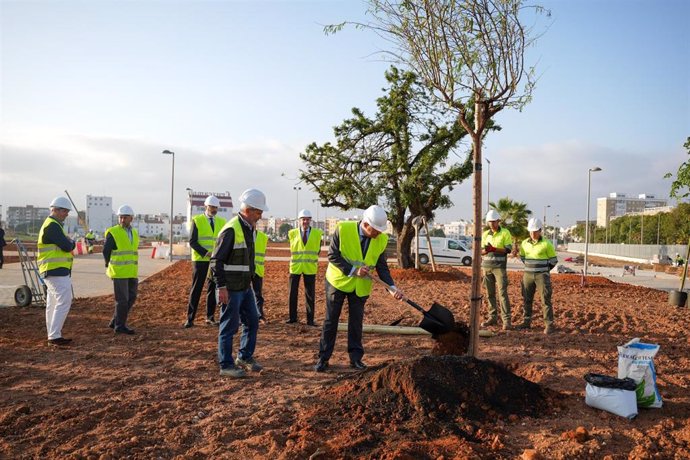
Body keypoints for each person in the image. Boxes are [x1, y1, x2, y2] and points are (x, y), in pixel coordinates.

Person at [314, 205, 404, 373]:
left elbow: (382, 267)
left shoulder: (381, 239)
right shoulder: (343, 229)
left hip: (360, 287)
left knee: (356, 322)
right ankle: (323, 358)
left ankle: (355, 358)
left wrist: (391, 288)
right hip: (338, 281)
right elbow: (333, 255)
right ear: (365, 224)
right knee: (330, 320)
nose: (378, 233)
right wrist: (354, 271)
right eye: (376, 230)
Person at [211, 188, 268, 378]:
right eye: (259, 212)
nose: (260, 216)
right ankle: (226, 365)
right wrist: (221, 287)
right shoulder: (231, 230)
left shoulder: (249, 228)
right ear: (248, 210)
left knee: (252, 321)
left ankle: (244, 357)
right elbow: (216, 261)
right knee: (229, 326)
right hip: (231, 288)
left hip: (244, 287)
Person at [38, 197, 77, 345]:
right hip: (55, 270)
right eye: (64, 211)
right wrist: (71, 242)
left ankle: (52, 334)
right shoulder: (53, 226)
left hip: (52, 270)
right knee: (64, 301)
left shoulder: (53, 225)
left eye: (67, 211)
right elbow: (67, 246)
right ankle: (54, 336)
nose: (66, 214)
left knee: (53, 303)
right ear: (54, 209)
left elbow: (64, 244)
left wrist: (68, 241)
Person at [183, 195, 226, 328]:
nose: (214, 209)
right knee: (196, 288)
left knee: (212, 288)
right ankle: (190, 318)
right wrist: (206, 253)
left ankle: (210, 317)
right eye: (212, 207)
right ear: (205, 207)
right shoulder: (197, 220)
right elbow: (192, 242)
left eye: (216, 207)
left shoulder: (221, 222)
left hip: (214, 261)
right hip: (200, 260)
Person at [517, 218, 558, 335]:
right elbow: (523, 257)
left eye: (535, 231)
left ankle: (549, 324)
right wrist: (531, 268)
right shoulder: (524, 243)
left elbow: (553, 261)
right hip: (527, 275)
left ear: (540, 231)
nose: (532, 234)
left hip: (542, 276)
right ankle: (526, 322)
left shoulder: (547, 244)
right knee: (527, 299)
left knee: (545, 299)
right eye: (530, 231)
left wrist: (543, 270)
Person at [104, 205, 139, 335]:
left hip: (131, 271)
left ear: (131, 218)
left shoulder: (134, 233)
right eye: (120, 217)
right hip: (119, 272)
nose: (122, 220)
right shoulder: (113, 232)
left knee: (132, 297)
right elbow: (106, 251)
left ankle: (115, 321)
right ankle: (120, 326)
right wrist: (108, 265)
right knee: (122, 300)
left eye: (125, 217)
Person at [286, 209, 323, 326]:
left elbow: (318, 250)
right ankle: (292, 318)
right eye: (303, 219)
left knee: (310, 295)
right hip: (295, 267)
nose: (305, 222)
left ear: (310, 220)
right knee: (292, 293)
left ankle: (310, 320)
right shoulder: (292, 233)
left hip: (310, 267)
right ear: (299, 221)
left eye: (307, 219)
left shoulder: (317, 233)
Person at [480, 210, 513, 331]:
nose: (492, 224)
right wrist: (487, 250)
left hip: (499, 267)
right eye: (490, 222)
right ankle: (492, 317)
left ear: (498, 221)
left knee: (502, 294)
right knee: (490, 294)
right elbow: (481, 251)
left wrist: (494, 248)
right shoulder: (485, 234)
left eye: (494, 222)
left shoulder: (505, 233)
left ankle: (506, 320)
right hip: (487, 267)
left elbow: (507, 250)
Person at [253, 229, 269, 322]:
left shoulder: (263, 237)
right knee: (242, 293)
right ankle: (240, 316)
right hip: (245, 269)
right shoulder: (241, 234)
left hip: (258, 269)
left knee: (258, 294)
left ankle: (259, 315)